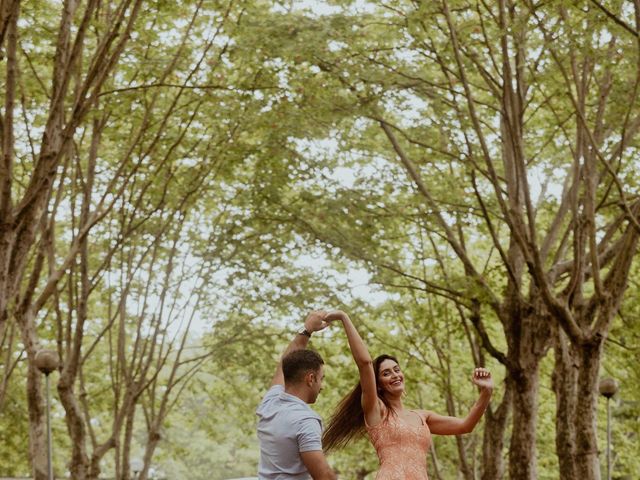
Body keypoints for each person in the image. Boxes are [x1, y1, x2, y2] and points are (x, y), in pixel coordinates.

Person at [322, 310, 493, 480]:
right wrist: (344, 317)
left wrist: (486, 392)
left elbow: (465, 425)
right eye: (386, 373)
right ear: (378, 385)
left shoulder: (422, 417)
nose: (395, 375)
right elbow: (365, 363)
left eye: (397, 370)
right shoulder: (377, 410)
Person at [256, 311, 337, 480]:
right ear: (311, 378)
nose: (321, 386)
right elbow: (323, 476)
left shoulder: (270, 402)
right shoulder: (305, 420)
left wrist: (307, 330)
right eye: (321, 379)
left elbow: (284, 365)